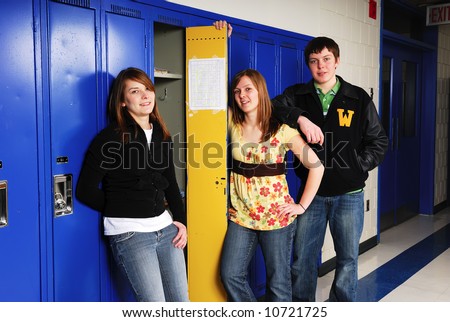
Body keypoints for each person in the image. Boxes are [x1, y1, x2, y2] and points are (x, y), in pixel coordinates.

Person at [214, 21, 388, 302]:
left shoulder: (358, 98)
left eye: (327, 60)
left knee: (347, 260)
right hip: (312, 194)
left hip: (349, 193)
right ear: (309, 65)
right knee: (302, 261)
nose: (321, 66)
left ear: (337, 61)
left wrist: (355, 166)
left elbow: (379, 141)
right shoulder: (296, 95)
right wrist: (301, 117)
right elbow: (270, 104)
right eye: (314, 61)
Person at [76, 67, 189, 302]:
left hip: (166, 230)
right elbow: (84, 191)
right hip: (131, 235)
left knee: (181, 302)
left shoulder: (161, 134)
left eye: (147, 88)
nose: (145, 95)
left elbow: (170, 183)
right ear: (123, 102)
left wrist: (181, 223)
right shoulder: (109, 139)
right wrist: (123, 206)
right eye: (135, 91)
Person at [220, 68, 324, 302]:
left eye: (248, 89)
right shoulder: (231, 122)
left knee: (278, 283)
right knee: (230, 275)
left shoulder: (282, 129)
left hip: (276, 217)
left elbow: (317, 167)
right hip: (241, 216)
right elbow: (206, 96)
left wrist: (301, 206)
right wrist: (216, 42)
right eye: (237, 91)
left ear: (261, 92)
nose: (242, 95)